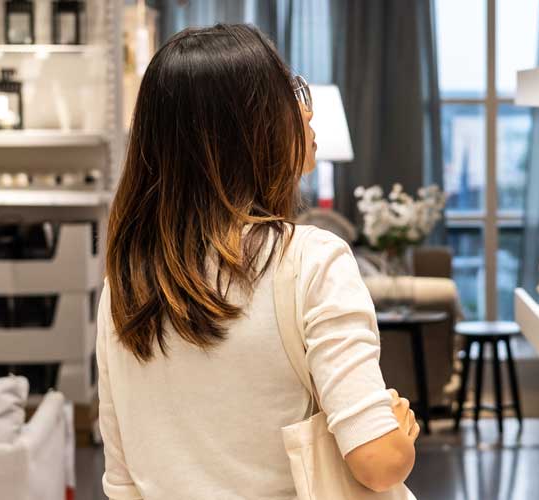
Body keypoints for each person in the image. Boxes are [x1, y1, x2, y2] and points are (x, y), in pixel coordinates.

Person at [97, 23, 419, 499]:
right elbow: (378, 462)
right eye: (289, 91)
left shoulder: (126, 284)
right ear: (248, 128)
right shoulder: (311, 260)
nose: (305, 110)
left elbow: (123, 482)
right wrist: (399, 433)